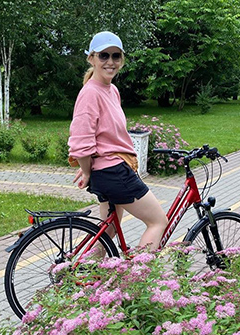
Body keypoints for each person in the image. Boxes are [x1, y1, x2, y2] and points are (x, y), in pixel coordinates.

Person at [68, 31, 168, 251]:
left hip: (110, 171)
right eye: (104, 56)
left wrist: (91, 168)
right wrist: (86, 170)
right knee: (158, 221)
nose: (110, 62)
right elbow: (80, 140)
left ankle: (88, 277)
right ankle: (138, 279)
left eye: (116, 56)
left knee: (109, 230)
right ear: (91, 58)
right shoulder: (90, 93)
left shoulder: (111, 90)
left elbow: (103, 137)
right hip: (114, 173)